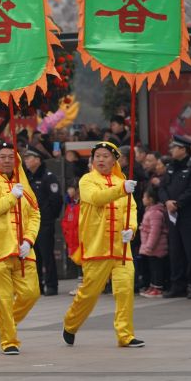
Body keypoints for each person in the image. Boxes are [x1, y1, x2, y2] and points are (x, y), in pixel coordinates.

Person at [62, 141, 143, 348]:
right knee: (89, 293)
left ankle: (125, 335)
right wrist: (121, 189)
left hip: (121, 248)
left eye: (106, 156)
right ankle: (71, 323)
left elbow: (131, 209)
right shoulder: (87, 180)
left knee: (125, 290)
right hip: (96, 246)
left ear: (115, 160)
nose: (101, 159)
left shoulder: (122, 181)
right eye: (97, 155)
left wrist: (131, 229)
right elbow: (96, 198)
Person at [0, 141, 41, 355]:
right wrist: (12, 197)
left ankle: (6, 322)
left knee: (31, 293)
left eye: (11, 157)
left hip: (23, 250)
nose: (7, 160)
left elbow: (34, 214)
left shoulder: (24, 184)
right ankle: (9, 340)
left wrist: (29, 240)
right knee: (3, 298)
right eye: (2, 156)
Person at [158, 133, 191, 298]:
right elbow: (162, 187)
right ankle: (178, 285)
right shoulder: (171, 166)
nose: (171, 150)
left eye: (174, 147)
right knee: (175, 250)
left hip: (189, 214)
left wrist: (177, 203)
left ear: (183, 149)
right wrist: (166, 202)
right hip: (172, 215)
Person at [22, 147, 63, 295]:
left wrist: (49, 216)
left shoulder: (48, 177)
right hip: (29, 224)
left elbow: (56, 199)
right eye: (25, 158)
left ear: (38, 160)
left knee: (47, 255)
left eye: (29, 158)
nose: (26, 161)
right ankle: (36, 285)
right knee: (33, 256)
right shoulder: (26, 177)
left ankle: (51, 285)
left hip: (44, 222)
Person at [139, 185, 168, 297]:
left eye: (144, 197)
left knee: (157, 268)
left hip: (156, 247)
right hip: (150, 247)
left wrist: (149, 246)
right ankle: (153, 285)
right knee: (152, 267)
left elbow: (155, 232)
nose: (143, 199)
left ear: (150, 199)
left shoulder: (155, 213)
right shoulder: (149, 211)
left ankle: (158, 287)